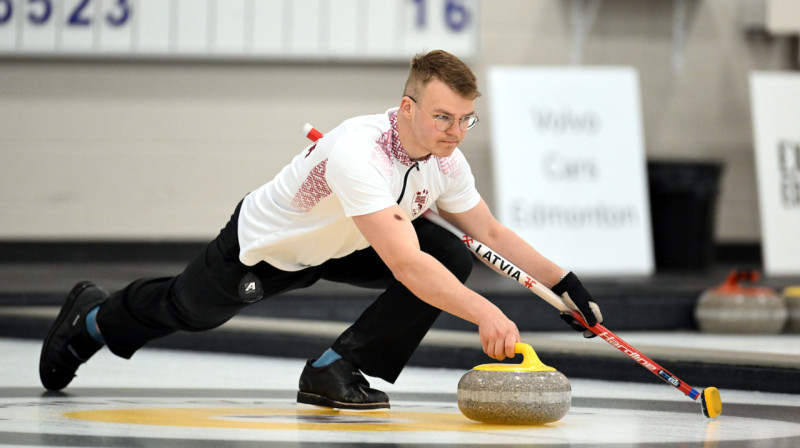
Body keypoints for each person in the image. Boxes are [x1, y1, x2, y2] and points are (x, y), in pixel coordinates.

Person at [39, 50, 602, 410]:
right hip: (269, 249)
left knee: (452, 256)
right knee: (189, 311)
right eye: (442, 117)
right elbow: (406, 265)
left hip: (351, 242)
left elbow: (491, 233)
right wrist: (485, 312)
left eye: (465, 119)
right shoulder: (360, 151)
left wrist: (564, 285)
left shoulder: (445, 159)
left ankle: (338, 367)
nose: (456, 132)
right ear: (407, 108)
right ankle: (89, 320)